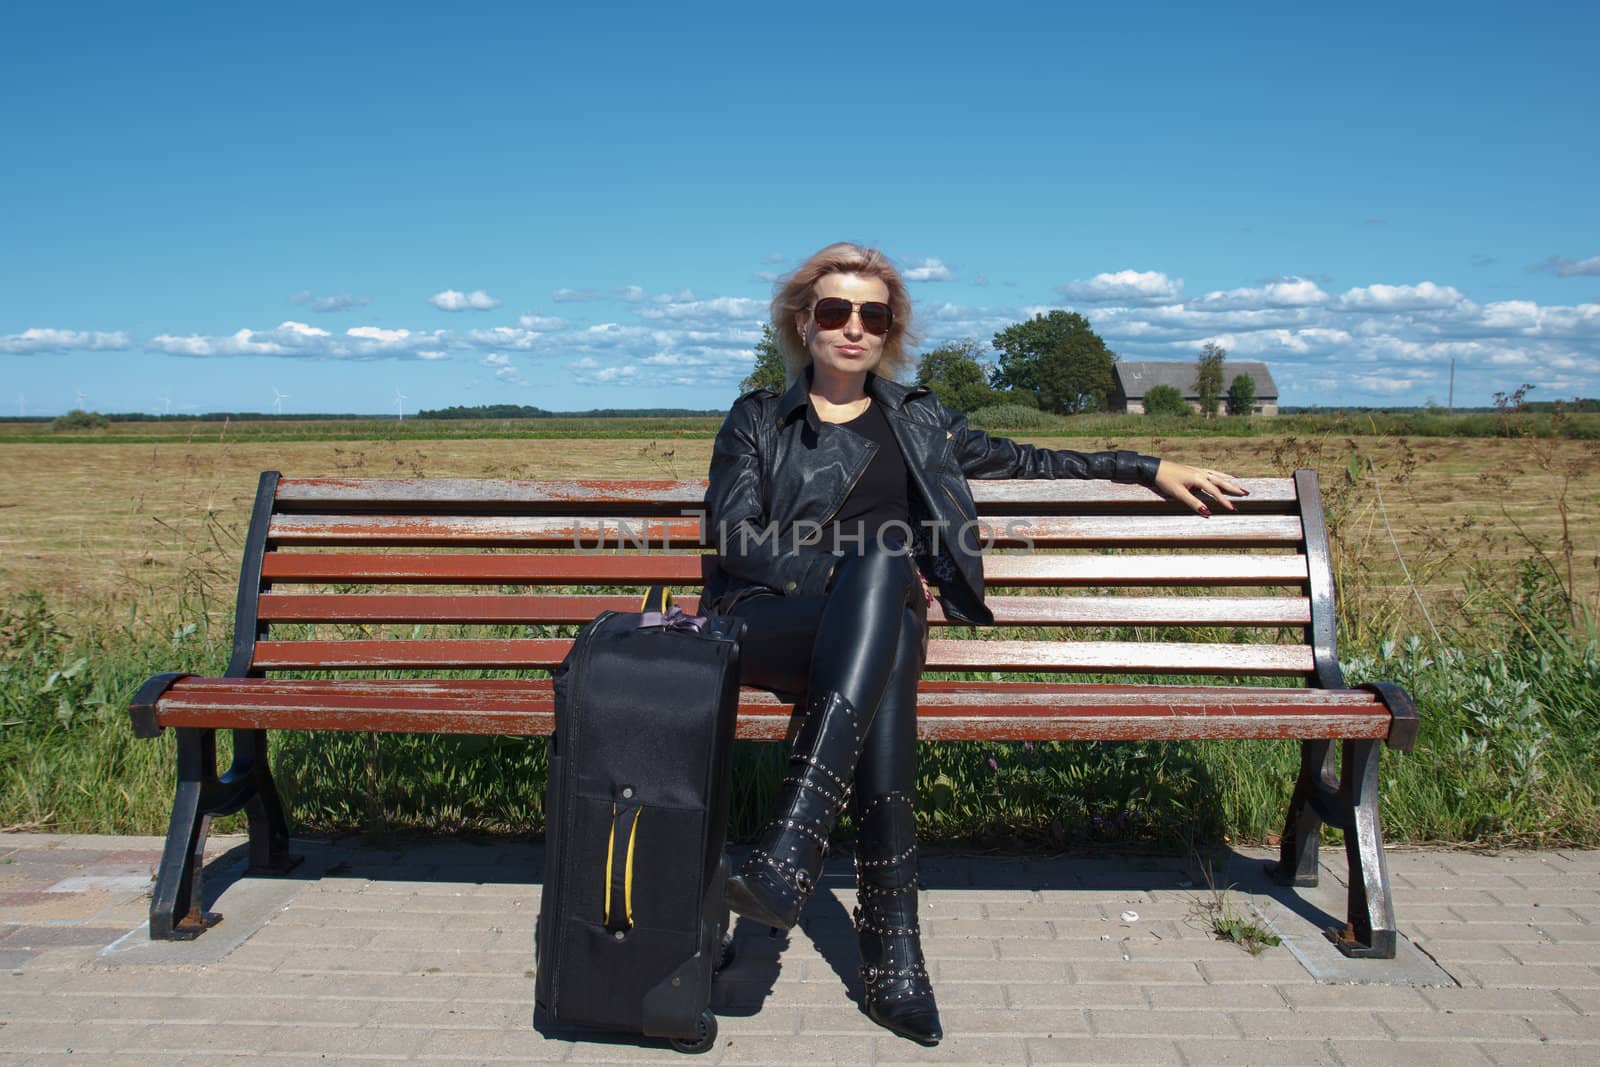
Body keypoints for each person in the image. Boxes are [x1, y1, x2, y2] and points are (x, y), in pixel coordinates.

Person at [700, 243, 1247, 1045]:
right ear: (802, 322)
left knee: (887, 620)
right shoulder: (757, 418)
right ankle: (892, 947)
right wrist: (854, 573)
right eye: (834, 311)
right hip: (773, 616)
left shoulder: (920, 418)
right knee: (885, 570)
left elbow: (1031, 456)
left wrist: (1144, 463)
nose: (854, 327)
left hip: (879, 634)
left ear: (889, 331)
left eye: (872, 315)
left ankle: (795, 862)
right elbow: (735, 538)